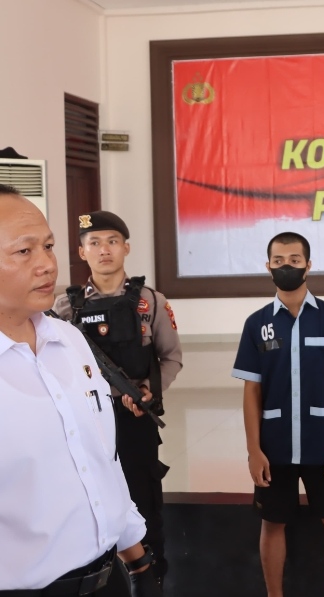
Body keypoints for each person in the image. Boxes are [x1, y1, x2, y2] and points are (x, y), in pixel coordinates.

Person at [0, 185, 160, 596]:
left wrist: (137, 560)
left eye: (48, 246)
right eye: (24, 251)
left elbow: (99, 460)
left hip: (108, 578)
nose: (47, 265)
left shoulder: (69, 339)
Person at [52, 211, 183, 589]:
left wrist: (150, 393)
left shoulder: (151, 302)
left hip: (134, 419)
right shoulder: (64, 308)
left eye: (112, 241)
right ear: (82, 252)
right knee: (88, 499)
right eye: (94, 243)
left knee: (143, 501)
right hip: (86, 423)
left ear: (126, 247)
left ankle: (151, 577)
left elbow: (171, 358)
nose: (104, 250)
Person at [231, 232, 324, 597]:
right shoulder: (257, 324)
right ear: (268, 266)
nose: (286, 266)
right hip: (274, 447)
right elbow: (251, 391)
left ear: (308, 265)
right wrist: (254, 451)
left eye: (294, 260)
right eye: (278, 261)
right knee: (272, 525)